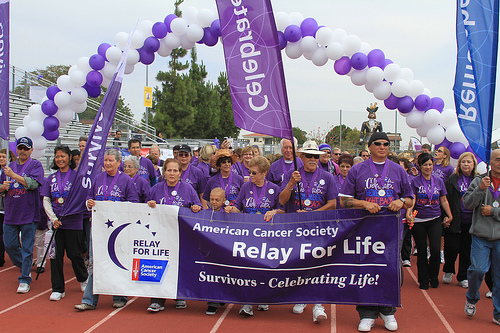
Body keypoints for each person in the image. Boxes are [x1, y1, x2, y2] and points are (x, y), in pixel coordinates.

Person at [338, 132, 413, 332]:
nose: (382, 147)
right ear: (369, 147)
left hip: (391, 230)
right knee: (365, 270)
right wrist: (363, 203)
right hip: (364, 230)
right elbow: (343, 200)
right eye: (378, 143)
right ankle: (366, 313)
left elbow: (410, 199)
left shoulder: (399, 171)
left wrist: (402, 202)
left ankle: (388, 311)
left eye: (386, 144)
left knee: (391, 270)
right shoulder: (357, 170)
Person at [279, 140, 337, 323]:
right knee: (298, 263)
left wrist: (313, 215)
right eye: (309, 156)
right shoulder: (291, 174)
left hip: (318, 228)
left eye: (316, 156)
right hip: (295, 228)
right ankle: (302, 297)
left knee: (318, 265)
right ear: (301, 157)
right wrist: (290, 183)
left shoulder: (327, 176)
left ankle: (318, 304)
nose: (313, 159)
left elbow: (334, 203)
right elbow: (281, 201)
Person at [74, 148, 139, 311]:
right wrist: (89, 203)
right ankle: (89, 300)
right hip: (98, 227)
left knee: (118, 261)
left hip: (119, 229)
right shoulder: (97, 178)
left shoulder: (126, 180)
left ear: (119, 163)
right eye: (106, 160)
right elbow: (89, 197)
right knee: (94, 263)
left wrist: (114, 206)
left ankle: (119, 296)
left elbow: (134, 203)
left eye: (111, 160)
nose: (108, 163)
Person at [226, 156, 283, 316]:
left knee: (265, 268)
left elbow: (283, 209)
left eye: (254, 173)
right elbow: (238, 206)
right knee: (247, 268)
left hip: (267, 236)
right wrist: (231, 209)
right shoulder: (245, 187)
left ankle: (263, 297)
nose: (251, 175)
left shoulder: (274, 188)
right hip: (248, 234)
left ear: (264, 173)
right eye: (250, 172)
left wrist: (275, 211)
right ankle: (247, 303)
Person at [147, 158, 202, 313]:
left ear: (180, 173)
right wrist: (149, 205)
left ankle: (179, 295)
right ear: (164, 172)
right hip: (160, 234)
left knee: (179, 265)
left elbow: (196, 206)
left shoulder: (189, 189)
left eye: (175, 170)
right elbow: (145, 209)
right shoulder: (156, 188)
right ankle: (157, 299)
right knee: (159, 264)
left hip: (181, 235)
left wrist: (196, 207)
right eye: (169, 170)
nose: (172, 173)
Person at [42, 145, 89, 301]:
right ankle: (58, 288)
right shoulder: (51, 178)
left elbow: (82, 199)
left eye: (63, 156)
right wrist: (53, 218)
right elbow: (46, 200)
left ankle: (83, 278)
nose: (59, 159)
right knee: (55, 256)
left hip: (73, 222)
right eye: (57, 156)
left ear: (69, 157)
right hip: (56, 223)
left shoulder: (77, 177)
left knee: (74, 254)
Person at [0, 137, 44, 294]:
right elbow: (1, 188)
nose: (23, 151)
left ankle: (25, 278)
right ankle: (24, 264)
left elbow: (33, 184)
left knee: (27, 247)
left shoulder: (35, 165)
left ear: (31, 150)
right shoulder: (8, 167)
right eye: (20, 148)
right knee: (10, 245)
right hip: (11, 213)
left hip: (28, 214)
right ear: (17, 149)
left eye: (26, 148)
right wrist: (2, 187)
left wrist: (13, 175)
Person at [463, 148, 500, 324]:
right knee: (478, 270)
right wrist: (480, 189)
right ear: (490, 162)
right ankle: (471, 296)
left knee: (499, 277)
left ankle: (498, 313)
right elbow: (468, 204)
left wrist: (493, 211)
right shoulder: (479, 180)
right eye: (497, 159)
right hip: (481, 236)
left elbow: (493, 211)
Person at [406, 153, 452, 290]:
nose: (428, 167)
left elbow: (443, 200)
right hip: (419, 220)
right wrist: (409, 213)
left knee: (435, 250)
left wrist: (449, 215)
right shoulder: (415, 181)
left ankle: (433, 276)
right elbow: (412, 199)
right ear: (419, 166)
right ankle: (423, 279)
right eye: (425, 164)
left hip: (435, 219)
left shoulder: (439, 181)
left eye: (430, 164)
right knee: (421, 251)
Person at [442, 152, 477, 288]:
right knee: (452, 247)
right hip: (455, 219)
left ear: (473, 164)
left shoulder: (478, 180)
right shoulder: (452, 180)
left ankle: (463, 276)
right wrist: (446, 215)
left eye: (468, 162)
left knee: (466, 250)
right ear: (459, 164)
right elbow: (445, 199)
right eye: (463, 162)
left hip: (472, 221)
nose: (466, 164)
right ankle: (448, 269)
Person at [177, 144, 208, 209]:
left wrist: (204, 209)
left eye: (186, 155)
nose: (183, 157)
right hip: (175, 206)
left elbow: (202, 193)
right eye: (181, 154)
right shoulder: (171, 172)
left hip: (192, 208)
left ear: (190, 156)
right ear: (177, 156)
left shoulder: (197, 172)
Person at [0, 148, 15, 267]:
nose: (1, 159)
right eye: (0, 157)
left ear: (9, 158)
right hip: (0, 208)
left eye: (3, 157)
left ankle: (22, 258)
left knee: (9, 236)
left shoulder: (13, 171)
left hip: (10, 209)